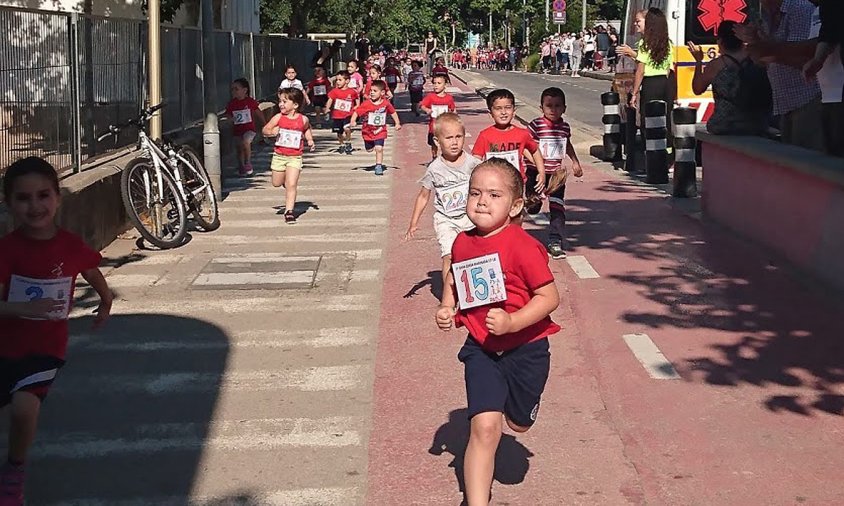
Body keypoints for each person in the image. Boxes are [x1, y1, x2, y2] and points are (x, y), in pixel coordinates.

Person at [435, 158, 560, 506]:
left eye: (494, 194)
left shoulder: (523, 246)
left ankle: (519, 409)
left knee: (517, 425)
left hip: (527, 349)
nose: (482, 201)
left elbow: (549, 297)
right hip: (482, 347)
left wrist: (513, 322)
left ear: (515, 205)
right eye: (475, 193)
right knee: (485, 429)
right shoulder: (462, 243)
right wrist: (448, 306)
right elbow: (454, 276)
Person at [0, 157, 113, 505]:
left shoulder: (70, 244)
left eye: (43, 195)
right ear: (9, 204)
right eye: (23, 198)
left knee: (24, 408)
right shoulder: (6, 250)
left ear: (58, 197)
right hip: (5, 346)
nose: (35, 205)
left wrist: (106, 300)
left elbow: (91, 270)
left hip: (45, 349)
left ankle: (14, 471)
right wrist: (21, 309)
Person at [735, 0, 822, 151]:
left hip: (807, 98)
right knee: (791, 161)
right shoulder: (767, 14)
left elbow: (804, 56)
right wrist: (756, 43)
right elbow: (762, 60)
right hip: (784, 103)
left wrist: (767, 51)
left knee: (807, 160)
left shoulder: (799, 9)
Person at [404, 113, 479, 285]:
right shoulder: (434, 169)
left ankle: (472, 291)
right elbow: (423, 196)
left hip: (471, 217)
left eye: (458, 137)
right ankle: (448, 297)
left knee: (475, 254)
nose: (454, 142)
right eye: (449, 138)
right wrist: (413, 223)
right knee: (449, 256)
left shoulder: (473, 163)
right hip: (446, 219)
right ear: (437, 142)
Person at [525, 87, 584, 259]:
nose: (553, 110)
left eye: (557, 106)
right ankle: (532, 204)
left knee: (557, 207)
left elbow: (567, 144)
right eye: (549, 106)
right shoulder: (536, 125)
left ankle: (555, 240)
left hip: (556, 176)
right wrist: (534, 165)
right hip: (535, 173)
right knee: (533, 206)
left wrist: (575, 162)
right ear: (541, 107)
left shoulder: (564, 127)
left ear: (564, 108)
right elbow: (526, 146)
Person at [688, 21, 769, 136]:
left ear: (721, 42)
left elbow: (697, 89)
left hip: (725, 124)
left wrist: (698, 61)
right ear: (741, 41)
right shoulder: (755, 60)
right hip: (756, 123)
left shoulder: (715, 66)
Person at [471, 89, 546, 191]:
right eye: (498, 108)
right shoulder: (485, 135)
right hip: (493, 184)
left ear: (514, 111)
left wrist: (541, 172)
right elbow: (476, 159)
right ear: (490, 113)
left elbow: (535, 150)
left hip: (516, 184)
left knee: (516, 206)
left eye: (508, 108)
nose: (503, 112)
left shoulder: (522, 134)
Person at [262, 88, 315, 224]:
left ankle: (289, 211)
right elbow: (265, 130)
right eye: (280, 101)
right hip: (279, 156)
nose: (281, 104)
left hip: (295, 157)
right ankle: (286, 184)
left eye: (285, 101)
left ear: (295, 105)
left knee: (292, 185)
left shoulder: (303, 119)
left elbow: (307, 128)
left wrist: (310, 140)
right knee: (276, 183)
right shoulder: (279, 117)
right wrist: (273, 131)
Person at [630, 7, 674, 163]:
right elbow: (669, 68)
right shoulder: (667, 43)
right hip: (666, 82)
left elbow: (640, 70)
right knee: (665, 119)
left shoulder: (644, 43)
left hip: (651, 83)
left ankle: (652, 156)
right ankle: (668, 156)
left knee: (647, 120)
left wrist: (634, 93)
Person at [347, 80, 402, 176]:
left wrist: (397, 123)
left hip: (380, 131)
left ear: (382, 93)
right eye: (371, 91)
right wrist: (353, 120)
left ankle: (378, 165)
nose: (371, 92)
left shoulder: (386, 103)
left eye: (375, 91)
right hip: (367, 131)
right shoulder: (366, 104)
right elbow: (357, 112)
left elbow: (393, 112)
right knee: (369, 149)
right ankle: (369, 145)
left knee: (379, 148)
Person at [225, 78, 265, 177]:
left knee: (246, 142)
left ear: (245, 90)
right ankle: (241, 166)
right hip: (238, 130)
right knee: (239, 148)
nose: (234, 91)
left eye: (236, 89)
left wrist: (265, 124)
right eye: (232, 89)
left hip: (249, 129)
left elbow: (258, 112)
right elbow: (228, 115)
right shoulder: (232, 103)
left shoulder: (250, 102)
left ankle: (248, 162)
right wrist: (229, 119)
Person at [420, 74, 457, 159]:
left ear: (445, 85)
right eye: (434, 83)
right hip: (434, 126)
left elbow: (453, 109)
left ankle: (444, 158)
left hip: (445, 126)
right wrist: (427, 110)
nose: (436, 85)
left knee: (445, 143)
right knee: (433, 144)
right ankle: (434, 157)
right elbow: (422, 105)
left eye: (439, 83)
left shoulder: (449, 98)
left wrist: (455, 119)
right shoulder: (430, 97)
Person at [325, 70, 359, 155]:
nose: (338, 82)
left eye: (340, 80)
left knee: (347, 128)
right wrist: (327, 108)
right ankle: (341, 144)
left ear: (347, 81)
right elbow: (330, 100)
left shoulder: (352, 91)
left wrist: (357, 106)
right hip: (337, 116)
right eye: (337, 80)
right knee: (339, 132)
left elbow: (357, 98)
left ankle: (348, 142)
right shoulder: (335, 91)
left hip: (348, 114)